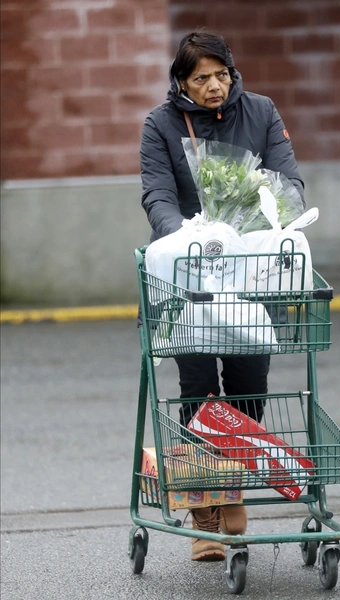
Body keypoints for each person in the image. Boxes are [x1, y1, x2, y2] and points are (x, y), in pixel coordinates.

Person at [140, 30, 305, 562]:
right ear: (182, 82)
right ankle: (208, 508)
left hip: (250, 268)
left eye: (222, 74)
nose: (215, 86)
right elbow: (157, 192)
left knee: (249, 381)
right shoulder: (160, 125)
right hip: (189, 270)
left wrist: (263, 221)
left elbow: (289, 181)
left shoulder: (260, 111)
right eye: (201, 78)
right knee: (196, 385)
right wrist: (187, 236)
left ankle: (230, 477)